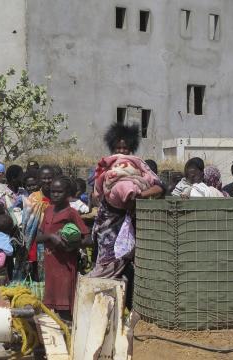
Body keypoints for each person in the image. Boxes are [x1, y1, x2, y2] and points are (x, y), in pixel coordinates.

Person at [89, 123, 164, 282]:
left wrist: (139, 195)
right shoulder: (105, 166)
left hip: (133, 225)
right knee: (105, 267)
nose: (122, 152)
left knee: (130, 272)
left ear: (131, 148)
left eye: (125, 148)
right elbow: (95, 193)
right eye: (118, 148)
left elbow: (160, 188)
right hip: (108, 227)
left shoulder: (139, 165)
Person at [37, 176, 90, 316]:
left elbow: (88, 239)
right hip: (50, 265)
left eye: (59, 192)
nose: (55, 194)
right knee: (50, 307)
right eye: (53, 191)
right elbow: (38, 237)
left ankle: (68, 334)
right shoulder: (48, 210)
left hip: (65, 266)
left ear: (68, 194)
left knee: (65, 308)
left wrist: (71, 245)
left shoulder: (71, 213)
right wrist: (50, 236)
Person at [13, 165, 55, 280]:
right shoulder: (33, 198)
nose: (47, 181)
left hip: (56, 243)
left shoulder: (58, 196)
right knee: (37, 276)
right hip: (37, 242)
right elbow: (27, 226)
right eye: (44, 178)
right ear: (39, 180)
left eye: (50, 178)